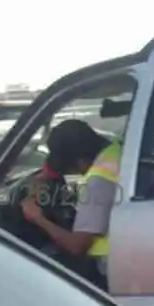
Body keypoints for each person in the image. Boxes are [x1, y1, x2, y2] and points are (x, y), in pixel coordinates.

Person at [19, 118, 120, 289]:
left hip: (105, 272)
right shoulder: (115, 151)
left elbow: (76, 246)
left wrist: (39, 219)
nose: (74, 173)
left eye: (72, 169)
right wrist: (39, 183)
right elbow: (52, 169)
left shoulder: (98, 181)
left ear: (80, 161)